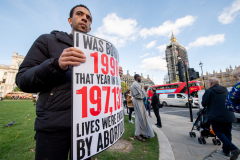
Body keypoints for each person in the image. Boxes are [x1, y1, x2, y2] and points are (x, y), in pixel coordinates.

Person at [16, 4, 123, 160]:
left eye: (88, 18)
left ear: (90, 27)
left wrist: (113, 74)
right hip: (53, 128)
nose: (84, 18)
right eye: (79, 14)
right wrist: (56, 65)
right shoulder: (47, 40)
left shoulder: (98, 55)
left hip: (88, 129)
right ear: (70, 19)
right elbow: (22, 79)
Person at [202, 77, 239, 159]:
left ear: (211, 84)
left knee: (218, 132)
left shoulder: (209, 91)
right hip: (229, 114)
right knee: (228, 133)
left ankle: (233, 149)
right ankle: (226, 151)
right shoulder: (225, 90)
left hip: (216, 115)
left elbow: (204, 103)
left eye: (209, 83)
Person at [131, 74, 154, 142]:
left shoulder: (137, 84)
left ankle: (140, 133)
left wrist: (144, 89)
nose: (140, 78)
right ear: (136, 77)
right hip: (138, 101)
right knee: (140, 118)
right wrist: (144, 89)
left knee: (140, 118)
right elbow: (140, 95)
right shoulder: (135, 84)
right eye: (139, 77)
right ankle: (138, 134)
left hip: (139, 101)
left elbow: (141, 94)